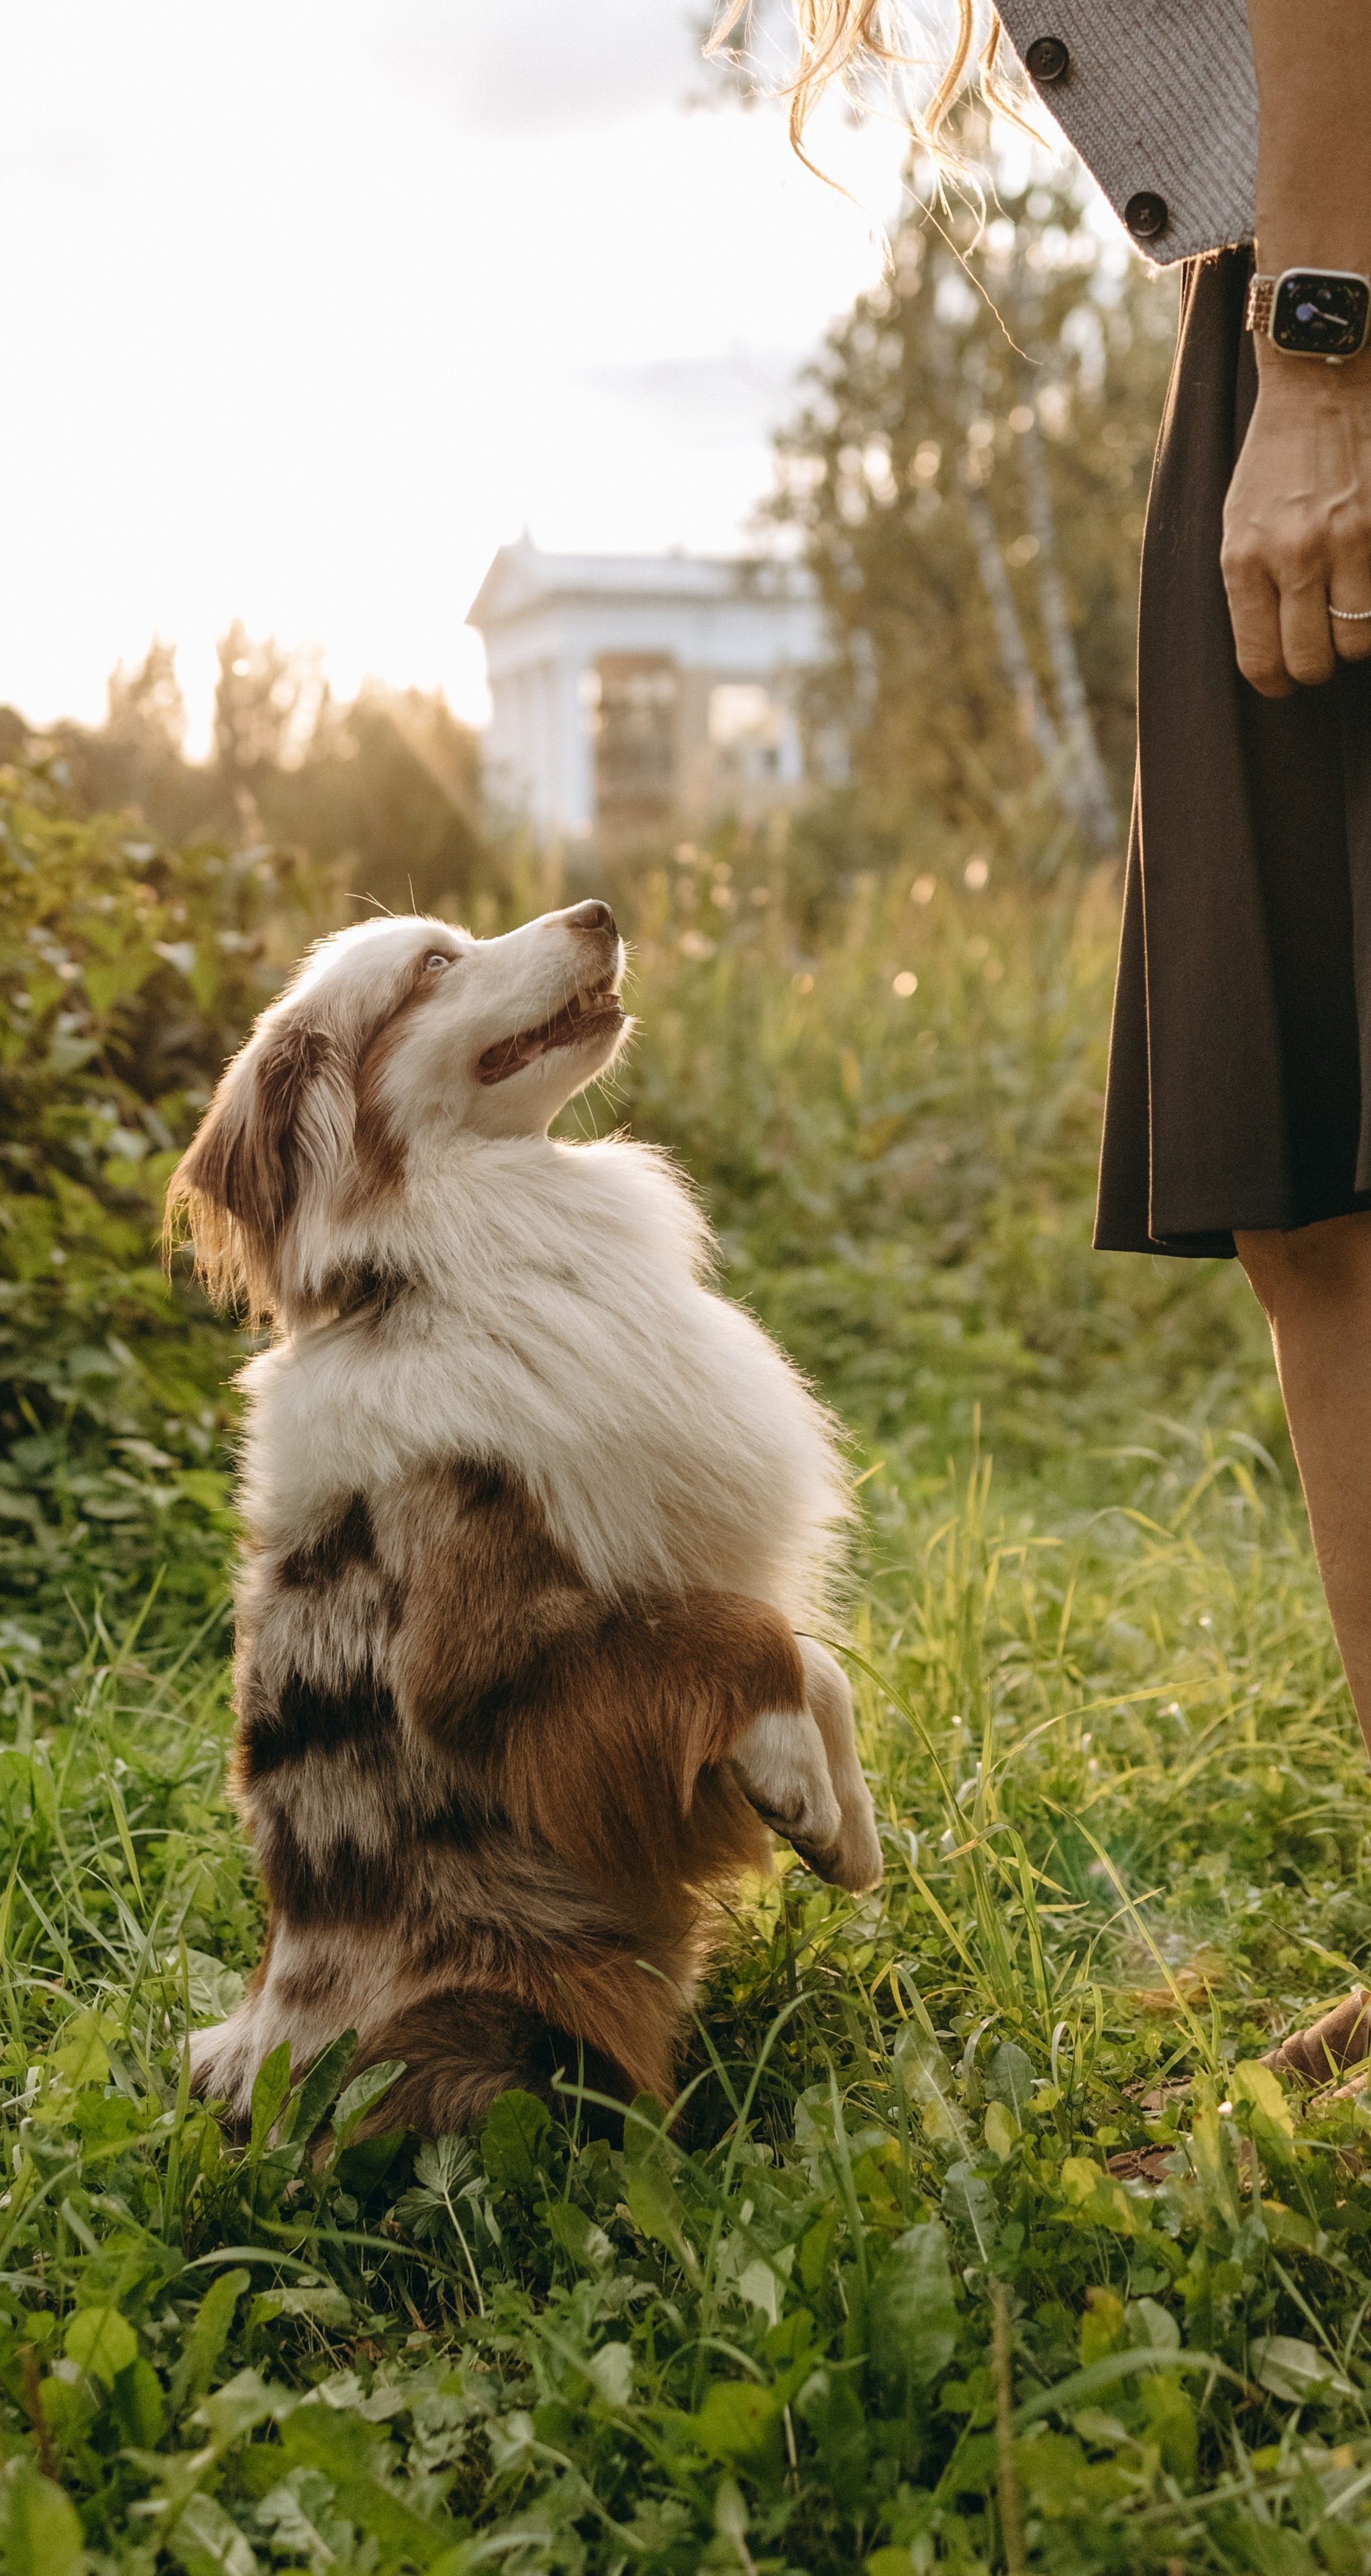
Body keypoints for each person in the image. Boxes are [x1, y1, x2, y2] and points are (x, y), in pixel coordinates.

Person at [738, 0, 1371, 2082]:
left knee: (1330, 1181)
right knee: (1324, 1181)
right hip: (1292, 287)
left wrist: (1322, 346)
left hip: (1329, 300)